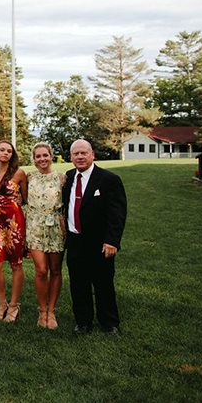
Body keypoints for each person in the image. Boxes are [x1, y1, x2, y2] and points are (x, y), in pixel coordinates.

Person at [63, 139, 127, 335]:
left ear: (92, 155)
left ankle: (109, 322)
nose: (80, 157)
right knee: (78, 284)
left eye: (84, 153)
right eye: (76, 154)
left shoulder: (108, 179)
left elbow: (117, 213)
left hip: (100, 242)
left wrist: (112, 241)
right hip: (75, 241)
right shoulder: (69, 177)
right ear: (71, 157)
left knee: (103, 283)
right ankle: (83, 322)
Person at [0, 140, 28, 322]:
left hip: (14, 222)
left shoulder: (19, 173)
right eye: (3, 150)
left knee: (16, 263)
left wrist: (18, 200)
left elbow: (25, 199)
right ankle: (2, 303)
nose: (6, 153)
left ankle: (14, 306)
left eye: (9, 151)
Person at [24, 142, 66, 329]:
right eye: (38, 156)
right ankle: (42, 310)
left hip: (55, 226)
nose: (42, 159)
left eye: (45, 155)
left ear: (51, 156)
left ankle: (51, 310)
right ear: (33, 159)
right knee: (41, 270)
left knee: (55, 269)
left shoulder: (62, 178)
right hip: (34, 226)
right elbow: (20, 197)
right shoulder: (29, 177)